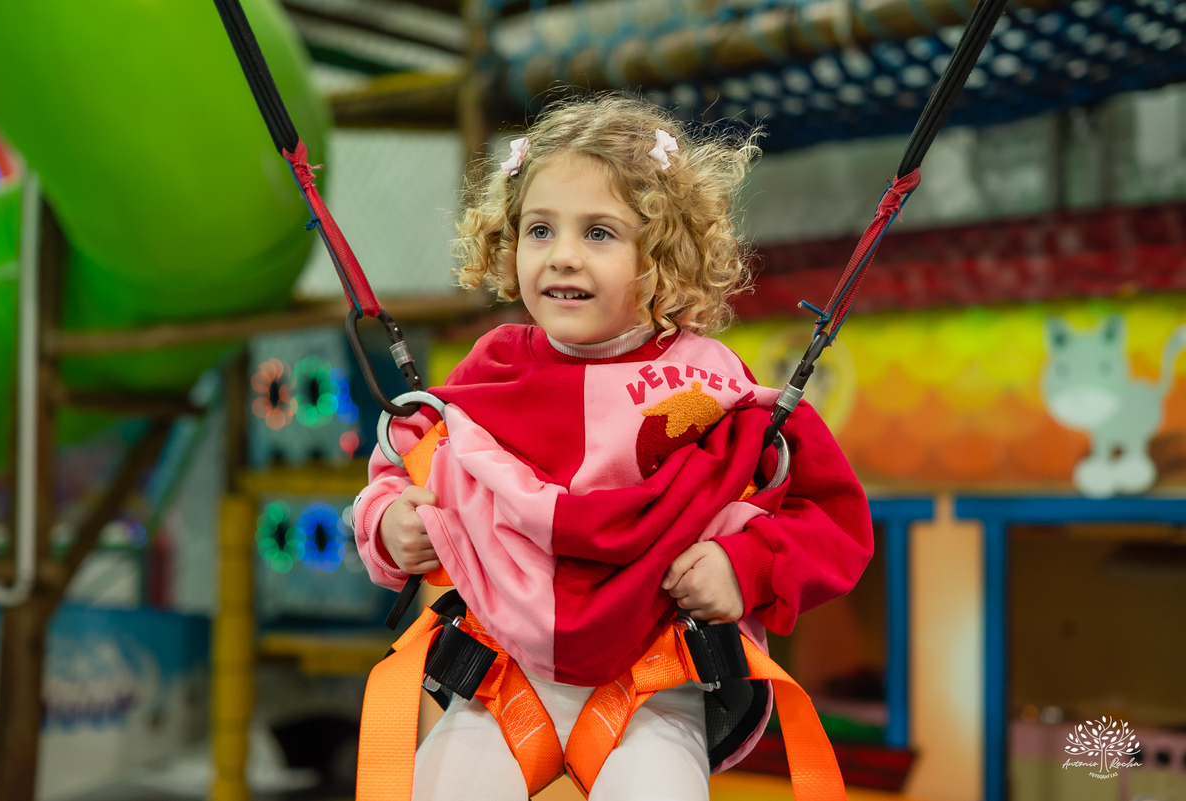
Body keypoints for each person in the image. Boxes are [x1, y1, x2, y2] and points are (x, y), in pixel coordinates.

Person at [353, 95, 873, 801]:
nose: (562, 255)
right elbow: (400, 463)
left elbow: (832, 517)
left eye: (599, 233)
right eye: (540, 229)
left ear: (662, 250)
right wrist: (390, 525)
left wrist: (743, 563)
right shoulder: (492, 368)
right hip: (503, 675)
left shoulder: (708, 382)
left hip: (653, 679)